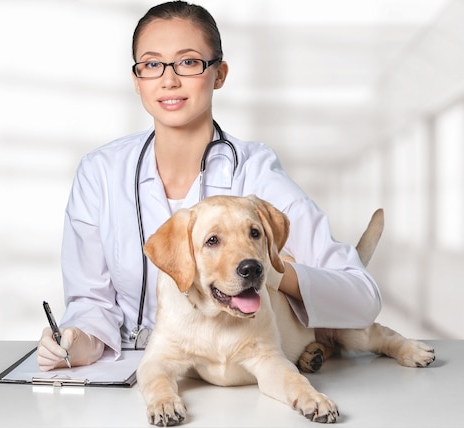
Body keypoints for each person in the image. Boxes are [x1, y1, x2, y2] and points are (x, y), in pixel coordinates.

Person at [37, 0, 382, 371]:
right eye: (152, 64)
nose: (169, 80)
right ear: (137, 80)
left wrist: (271, 270)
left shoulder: (255, 172)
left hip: (235, 373)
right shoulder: (99, 173)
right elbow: (90, 306)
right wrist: (74, 341)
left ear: (219, 74)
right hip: (140, 372)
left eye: (188, 62)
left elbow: (362, 297)